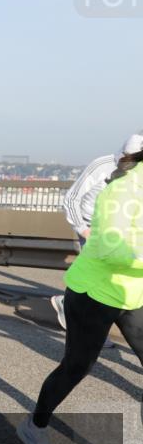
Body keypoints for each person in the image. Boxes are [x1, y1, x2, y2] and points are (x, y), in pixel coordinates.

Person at [17, 148, 143, 444]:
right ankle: (34, 427)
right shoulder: (121, 188)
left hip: (134, 294)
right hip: (94, 292)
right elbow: (109, 248)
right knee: (76, 368)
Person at [52, 132, 143, 334]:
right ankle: (79, 316)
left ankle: (83, 319)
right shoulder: (102, 165)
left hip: (122, 233)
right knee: (100, 278)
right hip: (93, 229)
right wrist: (84, 230)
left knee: (114, 281)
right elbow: (71, 199)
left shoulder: (137, 174)